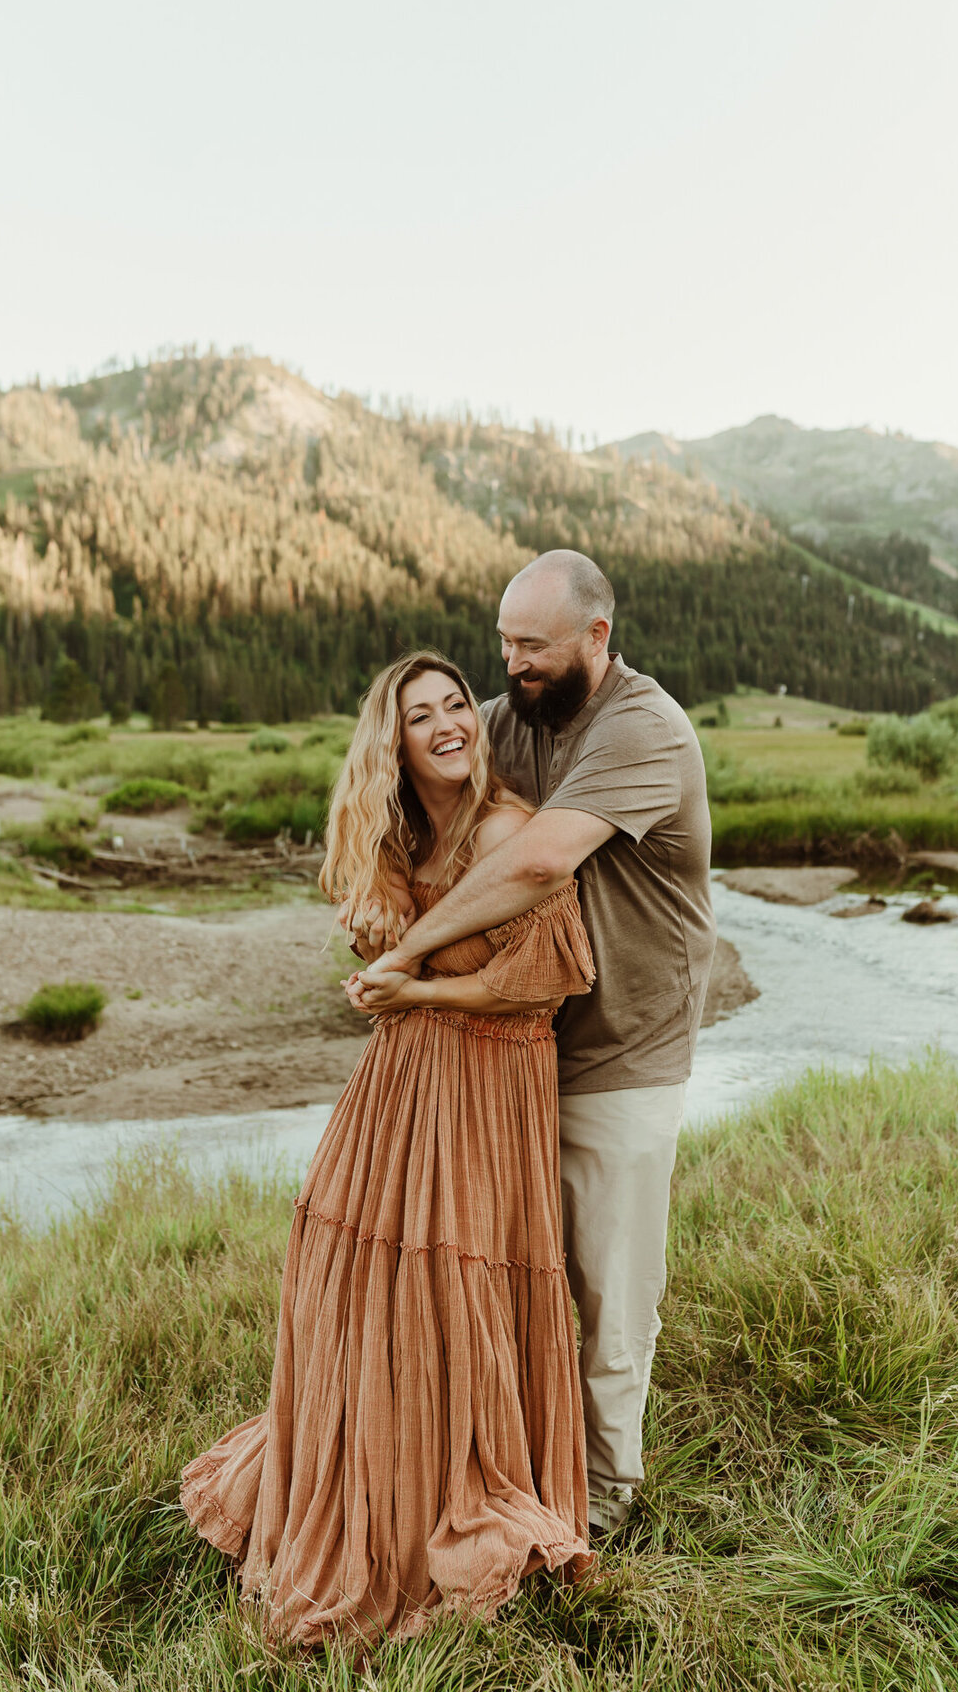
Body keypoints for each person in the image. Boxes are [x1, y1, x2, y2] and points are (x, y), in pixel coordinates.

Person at [179, 650, 596, 1646]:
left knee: (450, 1290)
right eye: (424, 715)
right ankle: (364, 1484)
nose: (451, 723)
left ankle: (444, 1509)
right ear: (394, 741)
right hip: (399, 1084)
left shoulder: (507, 829)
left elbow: (549, 979)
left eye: (459, 703)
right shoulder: (398, 836)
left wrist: (417, 988)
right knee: (348, 1274)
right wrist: (390, 971)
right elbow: (378, 957)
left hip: (488, 1084)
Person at [353, 551, 715, 1535]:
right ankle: (519, 1473)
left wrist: (413, 962)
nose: (507, 664)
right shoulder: (514, 717)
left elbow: (544, 855)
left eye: (531, 646)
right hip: (510, 1057)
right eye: (503, 643)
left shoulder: (643, 727)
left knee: (610, 1285)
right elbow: (439, 773)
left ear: (595, 637)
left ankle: (610, 1500)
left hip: (623, 1048)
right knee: (510, 1280)